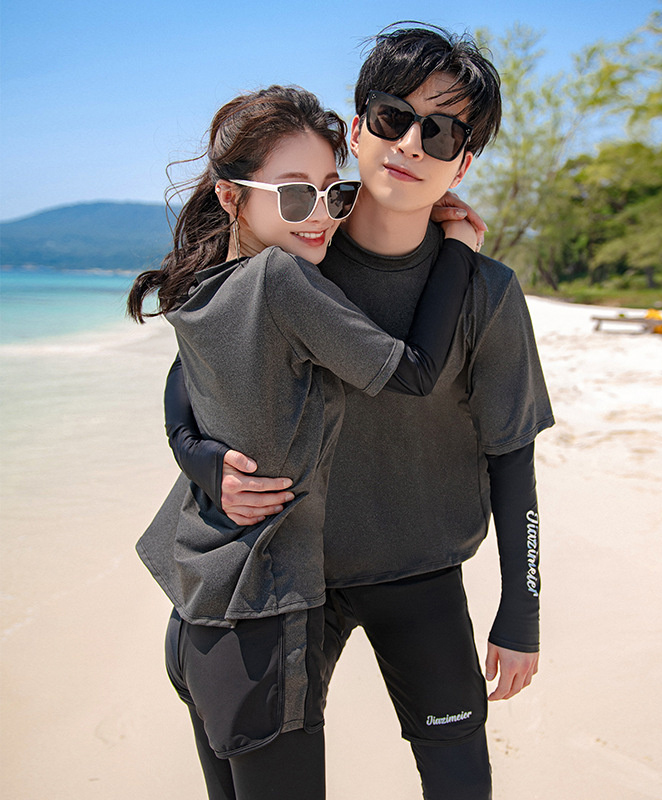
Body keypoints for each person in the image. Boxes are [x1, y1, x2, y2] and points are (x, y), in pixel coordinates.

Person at [166, 25, 554, 800]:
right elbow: (192, 377)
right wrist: (206, 465)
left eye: (441, 132)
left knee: (461, 785)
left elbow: (511, 455)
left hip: (422, 569)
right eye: (392, 117)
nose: (411, 143)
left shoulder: (485, 291)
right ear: (357, 129)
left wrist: (522, 610)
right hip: (293, 580)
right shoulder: (299, 250)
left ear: (463, 163)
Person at [128, 85, 481, 800]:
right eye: (294, 196)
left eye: (333, 192)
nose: (319, 215)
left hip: (195, 619)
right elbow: (415, 372)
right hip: (260, 622)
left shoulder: (202, 285)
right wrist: (459, 251)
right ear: (231, 198)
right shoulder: (282, 278)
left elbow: (179, 391)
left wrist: (198, 457)